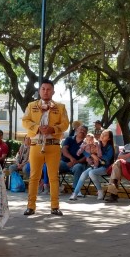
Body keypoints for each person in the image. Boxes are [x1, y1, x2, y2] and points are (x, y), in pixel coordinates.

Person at [22, 79, 68, 215]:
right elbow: (25, 121)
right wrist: (37, 128)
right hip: (36, 144)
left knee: (54, 176)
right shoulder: (31, 106)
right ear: (39, 91)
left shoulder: (60, 107)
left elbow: (65, 124)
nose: (46, 91)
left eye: (48, 89)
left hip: (53, 145)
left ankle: (55, 206)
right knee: (34, 176)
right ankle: (30, 206)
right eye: (43, 89)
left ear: (53, 91)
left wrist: (53, 129)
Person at [69, 129, 115, 201]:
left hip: (106, 167)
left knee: (91, 173)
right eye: (102, 134)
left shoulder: (110, 147)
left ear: (109, 138)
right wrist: (91, 155)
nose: (102, 136)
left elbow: (107, 159)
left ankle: (100, 191)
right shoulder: (96, 143)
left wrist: (98, 156)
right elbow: (84, 150)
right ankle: (75, 193)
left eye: (105, 135)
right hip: (95, 166)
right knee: (84, 173)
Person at [105, 129, 130, 203]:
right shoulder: (127, 146)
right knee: (118, 164)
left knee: (118, 163)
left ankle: (113, 191)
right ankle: (113, 192)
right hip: (121, 169)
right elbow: (119, 157)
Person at [60, 124, 88, 191]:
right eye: (81, 130)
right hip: (65, 163)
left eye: (84, 131)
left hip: (78, 164)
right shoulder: (69, 139)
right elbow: (64, 150)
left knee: (78, 167)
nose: (82, 131)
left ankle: (76, 190)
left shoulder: (87, 143)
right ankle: (55, 187)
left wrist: (75, 162)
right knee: (54, 165)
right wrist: (71, 158)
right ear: (76, 130)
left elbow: (86, 156)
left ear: (86, 133)